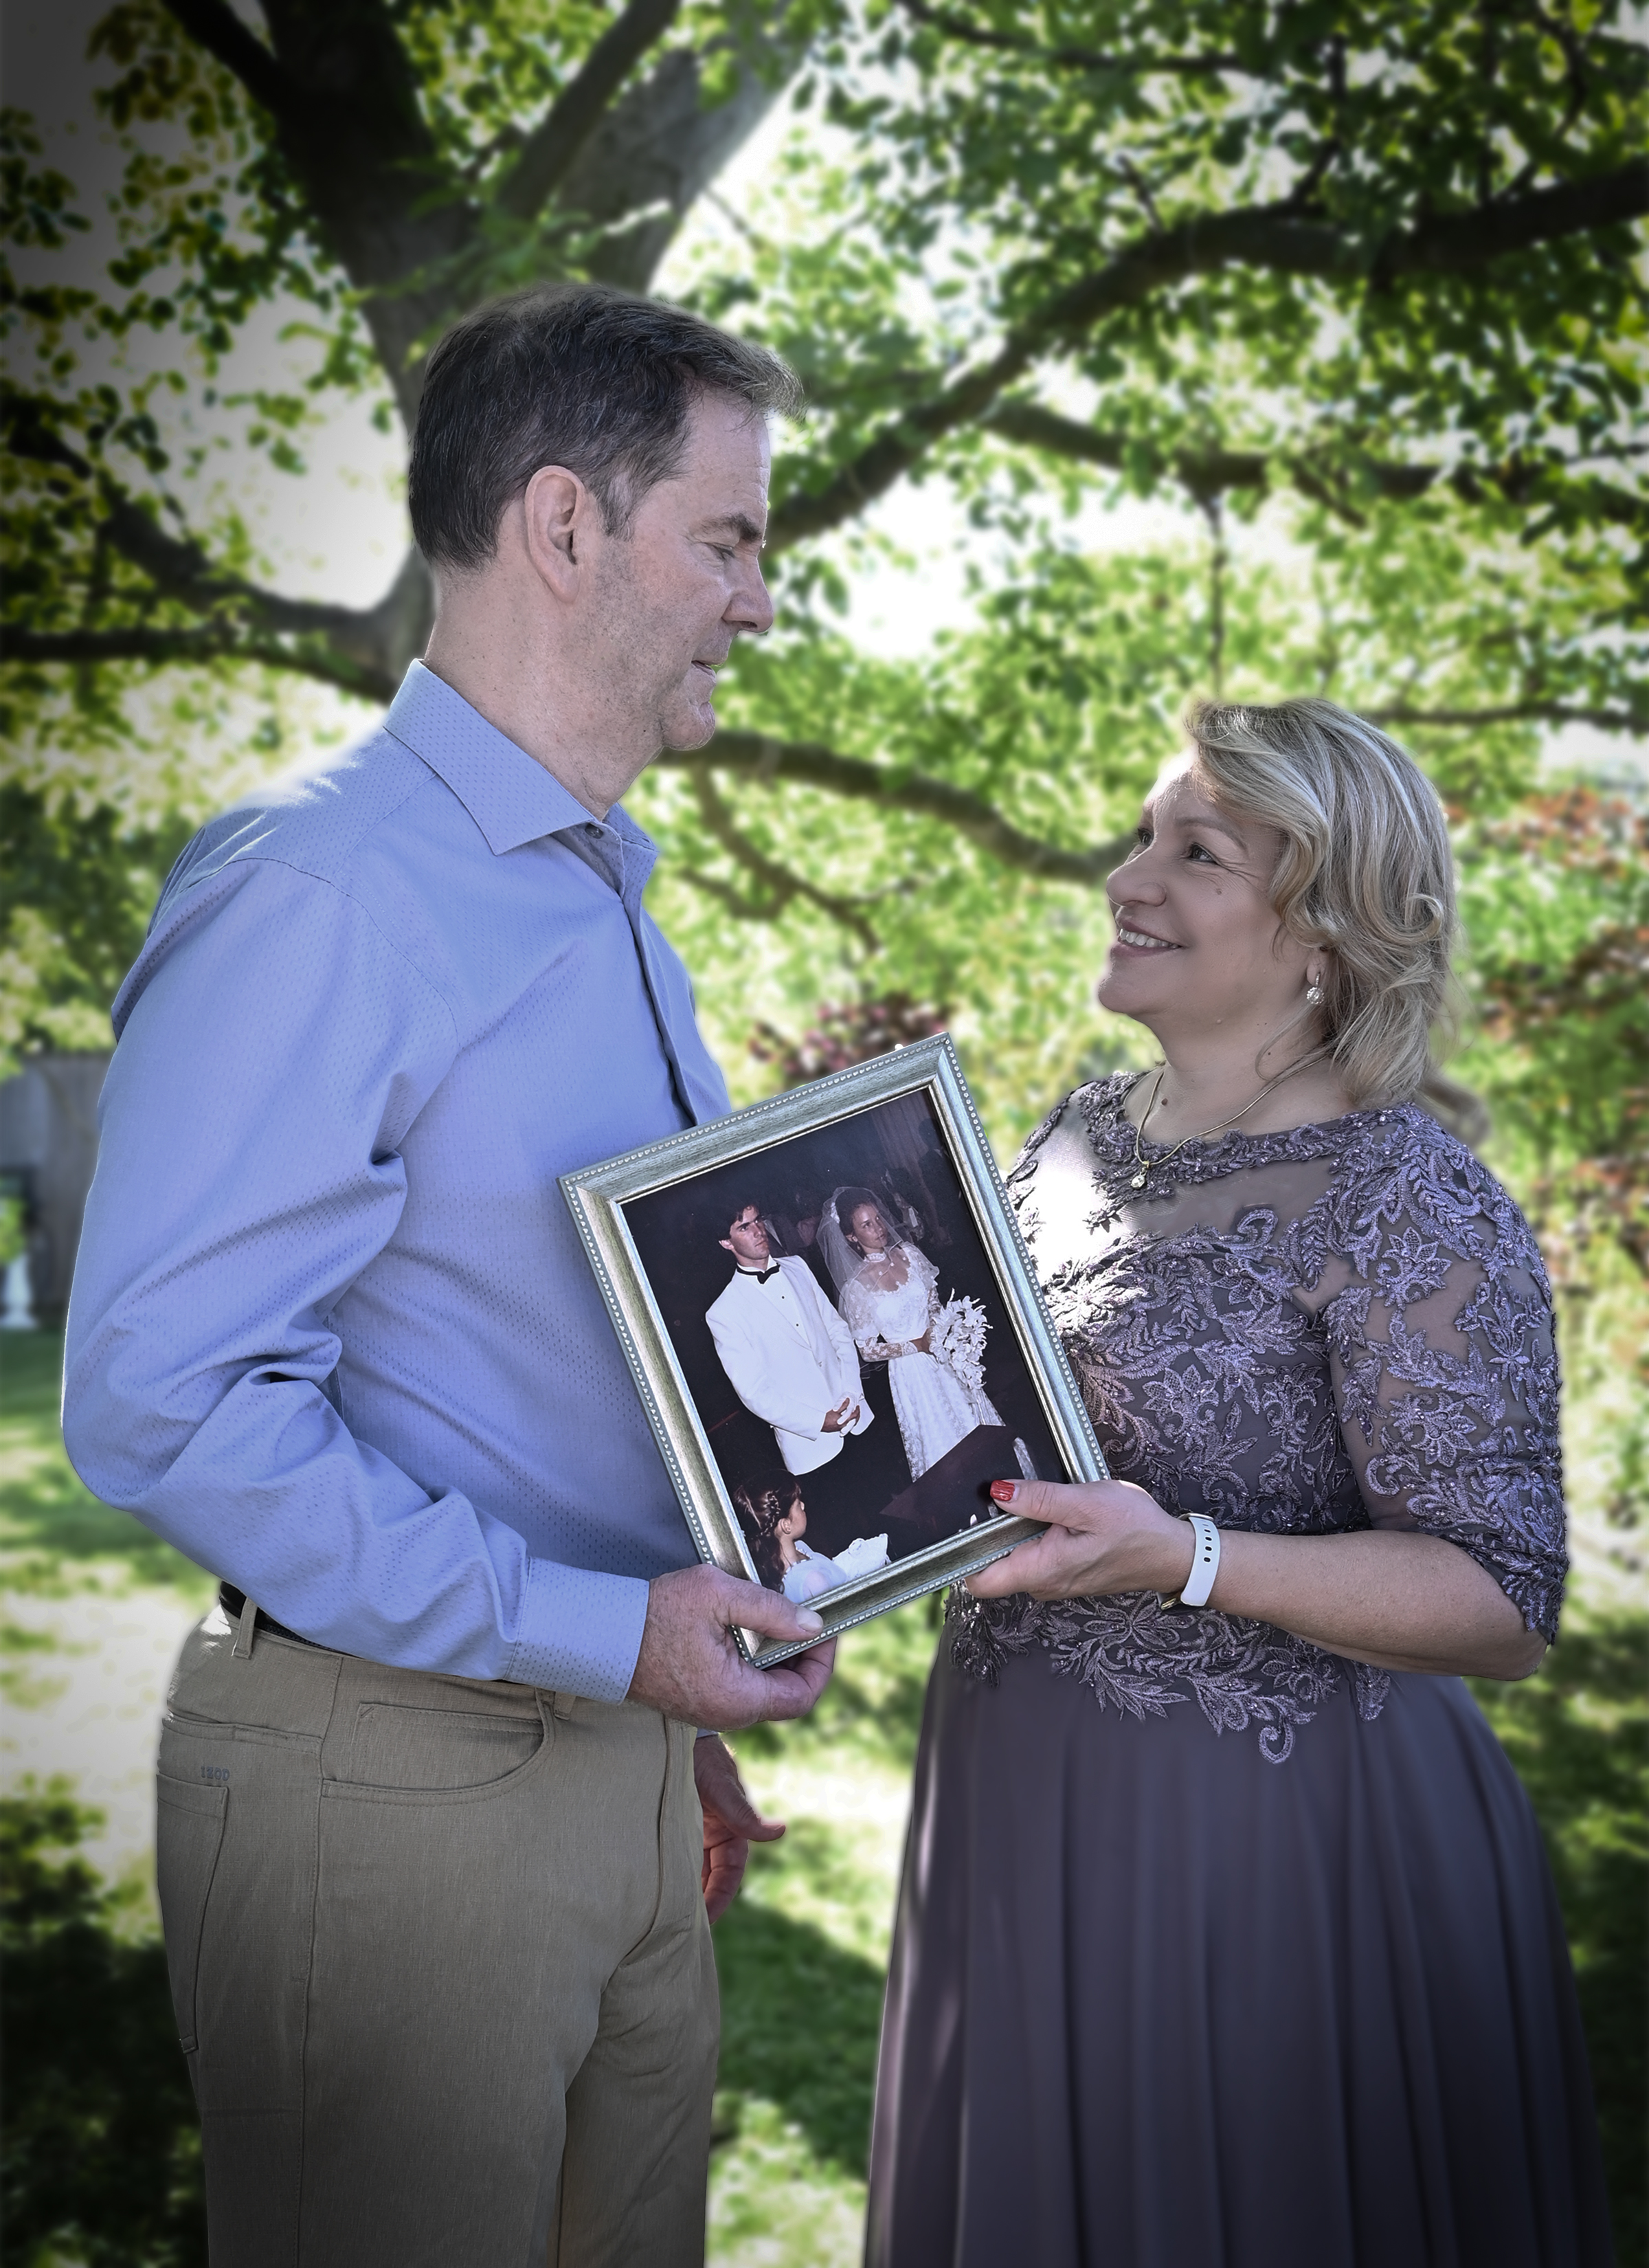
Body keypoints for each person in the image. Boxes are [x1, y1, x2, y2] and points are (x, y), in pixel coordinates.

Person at [60, 284, 838, 2268]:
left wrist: (659, 1716)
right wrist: (599, 1638)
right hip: (391, 1789)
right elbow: (161, 1397)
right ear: (566, 526)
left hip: (619, 1766)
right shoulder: (320, 892)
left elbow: (554, 1364)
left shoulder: (609, 908)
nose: (757, 603)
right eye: (728, 541)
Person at [866, 698, 1613, 2268]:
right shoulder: (1072, 1136)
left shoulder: (1408, 1197)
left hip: (1273, 1859)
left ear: (1324, 932)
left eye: (1194, 853)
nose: (1127, 878)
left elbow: (1500, 1596)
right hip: (1015, 1807)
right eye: (1140, 836)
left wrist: (1187, 1557)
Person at [706, 1199, 910, 1556]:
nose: (758, 1231)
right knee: (849, 1544)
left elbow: (838, 1331)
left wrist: (851, 1393)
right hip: (811, 1446)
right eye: (744, 1227)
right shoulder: (724, 1312)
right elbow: (755, 1393)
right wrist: (818, 1422)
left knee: (898, 1517)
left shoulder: (797, 1267)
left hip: (856, 1418)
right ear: (726, 1242)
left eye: (758, 1220)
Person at [822, 1187, 1019, 1481]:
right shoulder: (856, 1289)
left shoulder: (910, 1254)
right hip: (912, 1374)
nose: (879, 1228)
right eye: (867, 1225)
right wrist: (918, 1345)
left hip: (945, 1354)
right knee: (944, 1446)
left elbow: (932, 1301)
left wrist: (943, 1331)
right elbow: (867, 1350)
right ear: (852, 1237)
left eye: (878, 1219)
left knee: (978, 1423)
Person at [729, 1473, 889, 1601]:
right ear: (786, 1525)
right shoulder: (813, 1581)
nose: (803, 1505)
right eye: (798, 1504)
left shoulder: (800, 1548)